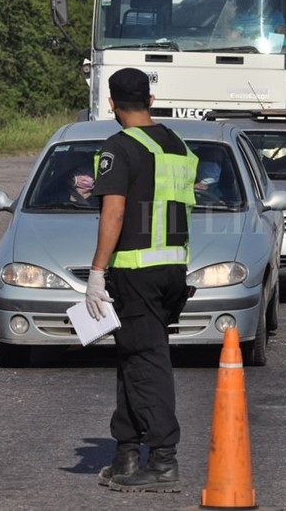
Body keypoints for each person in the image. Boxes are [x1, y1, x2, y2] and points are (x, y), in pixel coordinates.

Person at [86, 67, 198, 492]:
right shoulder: (176, 144)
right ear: (150, 100)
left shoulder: (119, 147)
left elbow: (114, 213)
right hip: (173, 269)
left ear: (112, 103)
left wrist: (97, 271)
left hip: (136, 270)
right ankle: (127, 452)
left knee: (146, 362)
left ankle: (163, 460)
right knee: (134, 358)